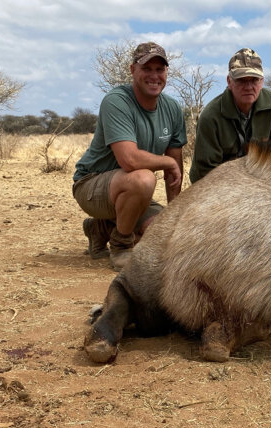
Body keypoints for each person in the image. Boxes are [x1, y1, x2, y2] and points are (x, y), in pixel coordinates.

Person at [72, 42, 187, 271]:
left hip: (130, 190)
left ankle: (100, 229)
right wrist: (166, 162)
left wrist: (175, 218)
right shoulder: (117, 101)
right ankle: (121, 245)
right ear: (133, 70)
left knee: (163, 237)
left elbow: (175, 173)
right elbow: (130, 161)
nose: (154, 76)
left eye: (159, 69)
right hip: (92, 185)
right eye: (147, 69)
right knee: (144, 178)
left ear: (166, 73)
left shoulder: (173, 108)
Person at [189, 48, 271, 183]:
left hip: (264, 180)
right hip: (222, 185)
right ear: (229, 81)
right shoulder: (210, 116)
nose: (248, 86)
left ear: (262, 81)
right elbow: (204, 171)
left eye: (254, 80)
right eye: (241, 80)